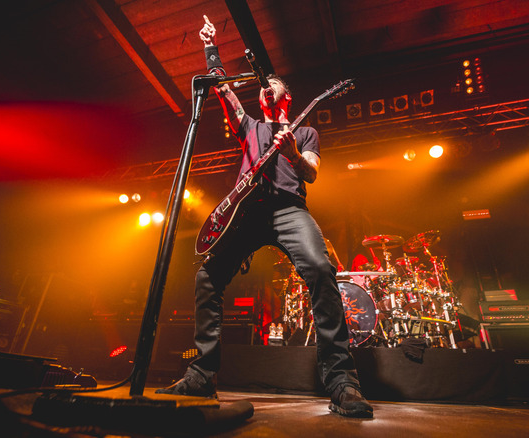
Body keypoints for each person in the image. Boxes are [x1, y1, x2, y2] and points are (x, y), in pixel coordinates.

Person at [156, 16, 373, 418]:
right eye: (261, 88)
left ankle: (342, 381)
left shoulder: (306, 134)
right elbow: (222, 90)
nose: (263, 88)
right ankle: (203, 375)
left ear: (285, 96)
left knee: (321, 271)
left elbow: (311, 171)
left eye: (270, 84)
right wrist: (210, 49)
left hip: (290, 210)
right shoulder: (250, 127)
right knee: (207, 277)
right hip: (247, 213)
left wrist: (290, 152)